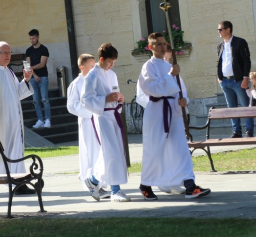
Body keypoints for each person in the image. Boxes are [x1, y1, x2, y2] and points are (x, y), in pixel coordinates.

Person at [138, 32, 210, 200]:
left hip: (174, 111)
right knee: (155, 149)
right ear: (150, 47)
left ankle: (190, 185)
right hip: (157, 111)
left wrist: (183, 100)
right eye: (159, 44)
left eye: (165, 44)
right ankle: (145, 184)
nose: (163, 47)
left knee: (181, 148)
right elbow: (153, 89)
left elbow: (180, 88)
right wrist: (171, 75)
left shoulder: (168, 65)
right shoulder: (148, 66)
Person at [0, 41, 36, 195]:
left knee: (16, 151)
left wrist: (26, 80)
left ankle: (19, 182)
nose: (8, 56)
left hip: (13, 121)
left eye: (9, 52)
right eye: (4, 53)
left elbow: (17, 94)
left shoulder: (9, 72)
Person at [80, 43, 131, 202]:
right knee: (111, 152)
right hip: (102, 117)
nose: (111, 65)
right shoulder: (92, 75)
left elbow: (114, 92)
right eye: (110, 62)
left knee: (114, 152)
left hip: (113, 115)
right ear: (101, 59)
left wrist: (119, 99)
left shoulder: (112, 74)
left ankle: (94, 180)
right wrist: (105, 100)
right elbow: (85, 99)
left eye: (113, 62)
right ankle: (115, 190)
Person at [67, 54, 110, 200]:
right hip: (87, 122)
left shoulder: (95, 80)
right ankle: (92, 185)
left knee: (100, 151)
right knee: (91, 153)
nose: (94, 68)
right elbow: (72, 105)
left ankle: (100, 183)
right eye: (91, 66)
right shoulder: (77, 83)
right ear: (82, 67)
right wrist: (89, 110)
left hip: (98, 120)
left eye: (95, 65)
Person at [217, 20, 253, 138]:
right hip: (225, 81)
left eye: (220, 29)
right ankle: (236, 131)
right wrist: (219, 77)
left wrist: (245, 77)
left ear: (228, 29)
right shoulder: (220, 45)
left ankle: (249, 131)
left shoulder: (240, 42)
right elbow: (220, 61)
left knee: (245, 105)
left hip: (238, 80)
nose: (219, 32)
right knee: (231, 107)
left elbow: (246, 61)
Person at [25, 29, 51, 129]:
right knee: (35, 100)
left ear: (38, 37)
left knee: (45, 99)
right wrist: (34, 75)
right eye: (30, 39)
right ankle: (40, 120)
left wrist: (31, 69)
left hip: (43, 76)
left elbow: (42, 64)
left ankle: (47, 120)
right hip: (33, 77)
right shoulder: (28, 50)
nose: (32, 40)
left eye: (33, 38)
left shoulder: (44, 49)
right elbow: (28, 65)